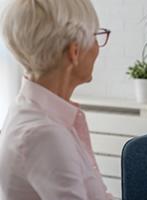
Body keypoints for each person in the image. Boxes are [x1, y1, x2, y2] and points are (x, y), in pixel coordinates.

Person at [0, 0, 112, 199]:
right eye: (96, 36)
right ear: (74, 52)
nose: (98, 47)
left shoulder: (29, 110)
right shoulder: (46, 134)